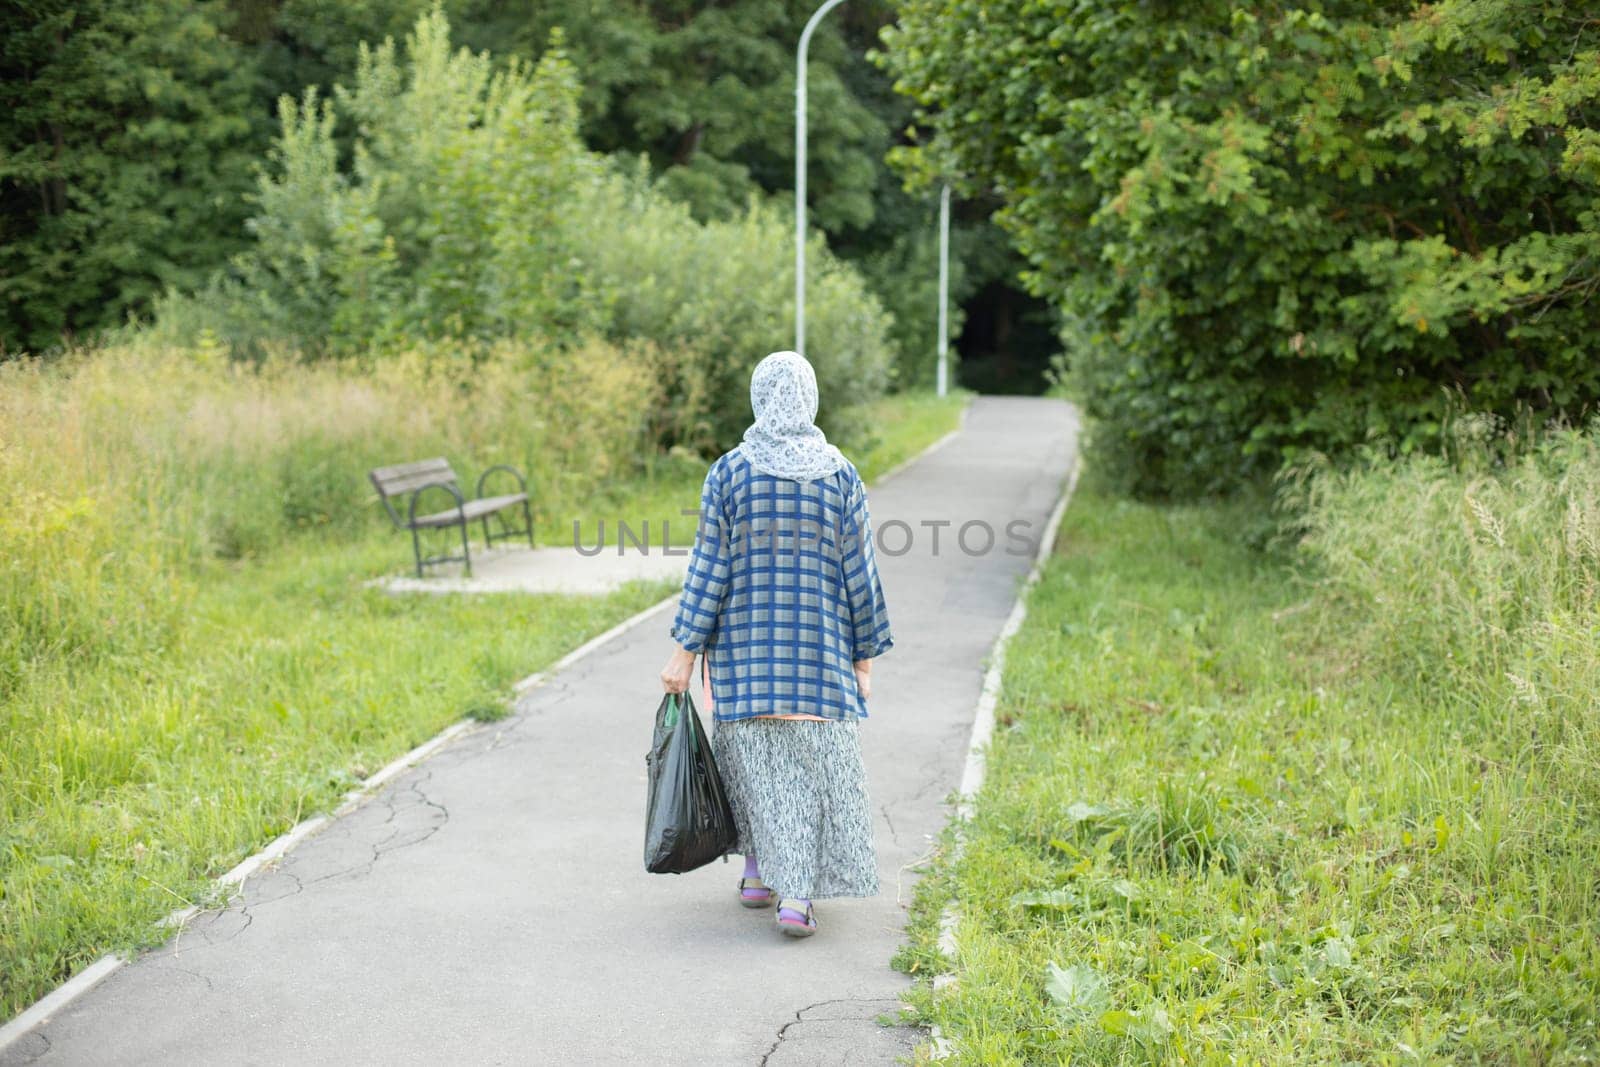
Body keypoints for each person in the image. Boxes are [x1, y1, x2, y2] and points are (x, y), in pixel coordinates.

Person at [659, 350, 893, 938]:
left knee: (756, 767)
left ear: (759, 398)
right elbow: (860, 574)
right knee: (809, 781)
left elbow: (708, 570)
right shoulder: (840, 475)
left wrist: (685, 653)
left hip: (745, 659)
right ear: (810, 399)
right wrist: (862, 657)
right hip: (820, 659)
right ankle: (795, 896)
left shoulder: (731, 472)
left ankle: (764, 876)